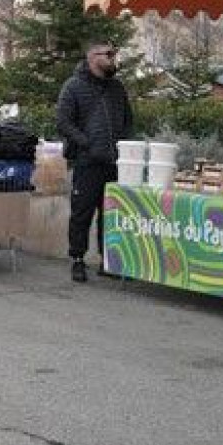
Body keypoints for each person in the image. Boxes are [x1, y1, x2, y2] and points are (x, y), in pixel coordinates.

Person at [56, 41, 133, 283]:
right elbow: (63, 121)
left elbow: (128, 119)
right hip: (87, 162)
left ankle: (107, 260)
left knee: (110, 213)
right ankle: (77, 260)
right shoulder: (73, 87)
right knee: (82, 213)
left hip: (114, 162)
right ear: (93, 57)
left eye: (114, 53)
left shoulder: (117, 88)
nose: (113, 59)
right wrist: (85, 142)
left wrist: (125, 144)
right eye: (109, 54)